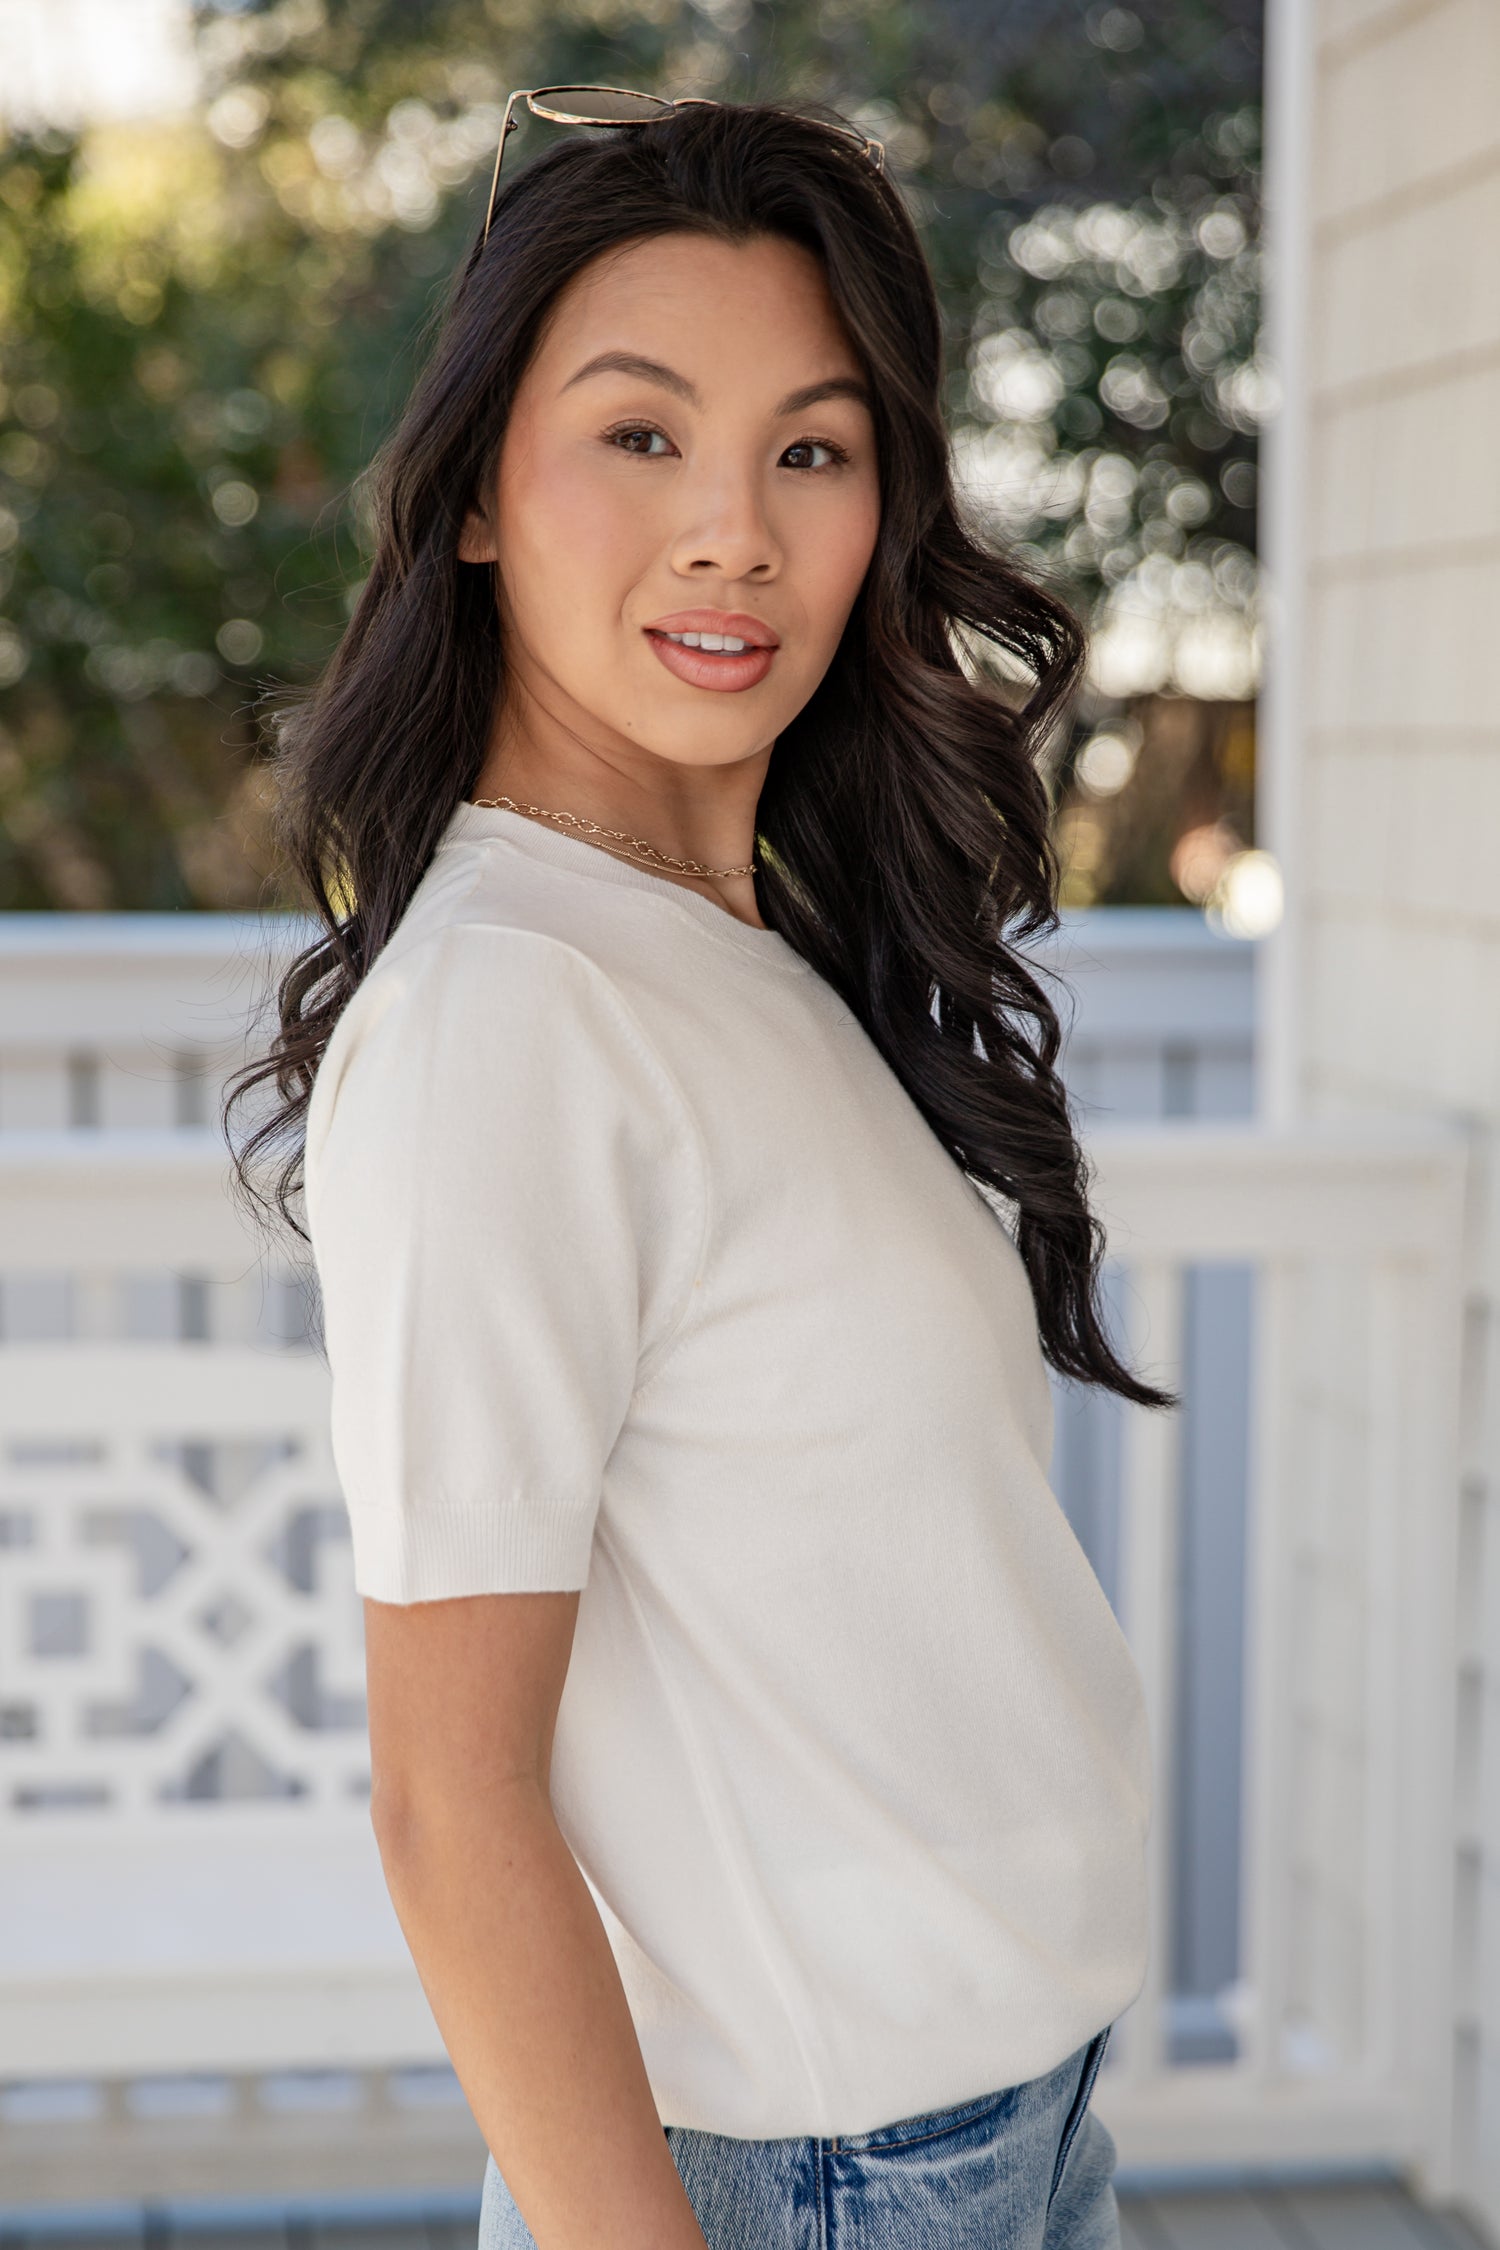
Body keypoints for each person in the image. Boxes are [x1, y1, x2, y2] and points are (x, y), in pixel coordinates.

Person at [229, 94, 1168, 2250]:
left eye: (810, 451)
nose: (733, 531)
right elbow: (449, 1809)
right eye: (642, 437)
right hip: (813, 2182)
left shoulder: (742, 953)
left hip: (1005, 2123)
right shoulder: (505, 1019)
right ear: (477, 494)